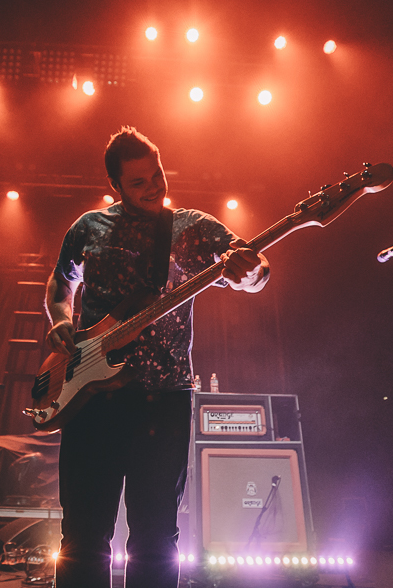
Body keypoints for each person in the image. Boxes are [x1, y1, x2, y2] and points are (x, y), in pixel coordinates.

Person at [45, 127, 269, 588]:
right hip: (92, 399)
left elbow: (255, 268)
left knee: (156, 538)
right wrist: (60, 319)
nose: (153, 188)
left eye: (157, 175)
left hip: (164, 399)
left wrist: (250, 273)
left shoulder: (193, 227)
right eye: (138, 182)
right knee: (82, 537)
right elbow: (61, 282)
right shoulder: (89, 227)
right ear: (116, 185)